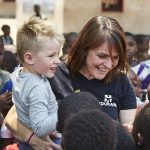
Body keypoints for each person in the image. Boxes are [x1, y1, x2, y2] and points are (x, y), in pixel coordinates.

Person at [5, 16, 136, 147]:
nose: (108, 64)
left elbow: (127, 131)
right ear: (84, 49)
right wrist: (33, 139)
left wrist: (129, 129)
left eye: (115, 57)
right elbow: (11, 119)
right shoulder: (52, 72)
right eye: (102, 56)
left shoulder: (121, 81)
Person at [5, 17, 64, 149]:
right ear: (29, 58)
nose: (58, 61)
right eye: (51, 56)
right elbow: (40, 127)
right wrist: (64, 112)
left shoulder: (20, 74)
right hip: (42, 143)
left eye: (58, 54)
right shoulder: (37, 87)